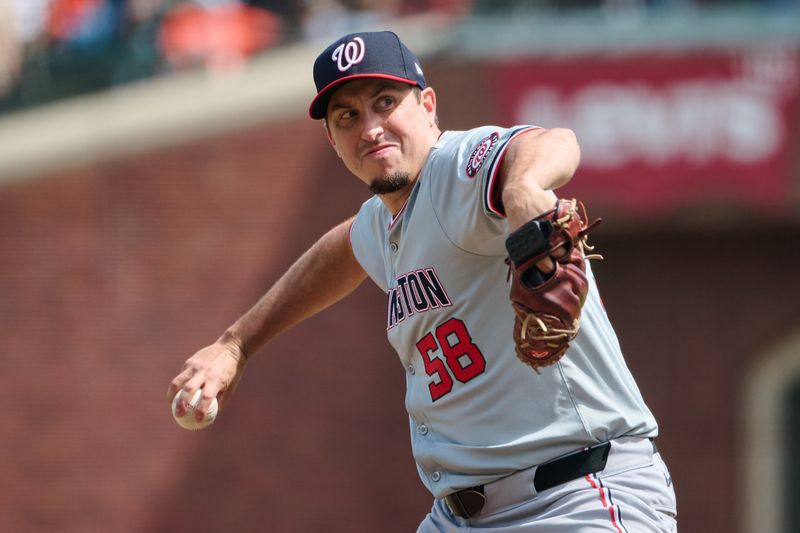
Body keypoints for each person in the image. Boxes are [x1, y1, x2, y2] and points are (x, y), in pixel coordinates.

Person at [167, 30, 678, 532]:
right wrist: (236, 344)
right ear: (332, 139)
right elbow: (338, 252)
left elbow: (551, 141)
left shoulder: (454, 169)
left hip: (574, 496)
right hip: (460, 516)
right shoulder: (382, 220)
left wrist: (524, 186)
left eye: (385, 102)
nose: (370, 127)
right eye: (348, 116)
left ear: (428, 105)